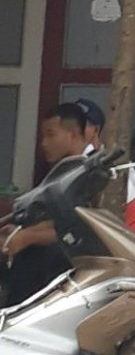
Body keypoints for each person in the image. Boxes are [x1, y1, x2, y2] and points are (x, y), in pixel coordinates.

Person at [0, 103, 88, 305]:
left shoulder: (91, 174)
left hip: (61, 280)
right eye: (43, 137)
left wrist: (26, 237)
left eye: (51, 135)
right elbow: (52, 218)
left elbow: (77, 224)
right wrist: (19, 232)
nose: (44, 144)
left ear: (73, 134)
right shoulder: (61, 173)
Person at [73, 98, 135, 242]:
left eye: (80, 125)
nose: (74, 131)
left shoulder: (115, 164)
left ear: (95, 130)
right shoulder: (74, 162)